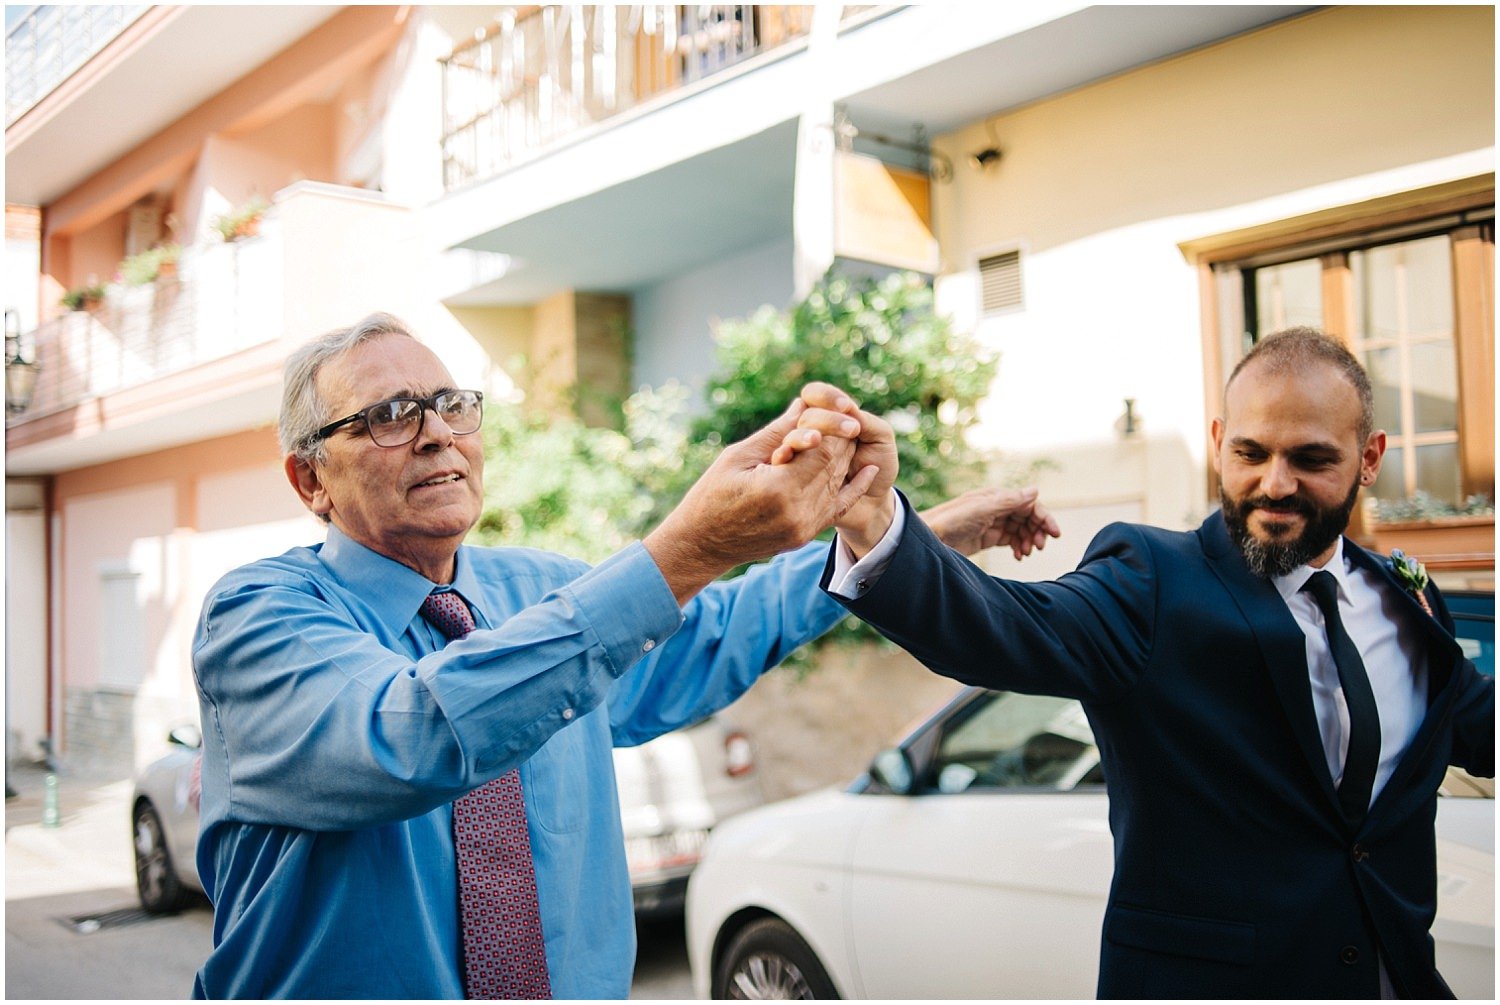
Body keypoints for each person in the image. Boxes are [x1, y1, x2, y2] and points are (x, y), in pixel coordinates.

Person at [189, 312, 1051, 999]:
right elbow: (413, 733)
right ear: (311, 482)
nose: (435, 434)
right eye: (386, 416)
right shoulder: (258, 615)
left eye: (451, 404)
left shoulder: (537, 589)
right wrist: (686, 549)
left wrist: (901, 536)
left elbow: (715, 630)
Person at [805, 327, 1494, 998]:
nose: (1274, 483)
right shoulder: (1153, 580)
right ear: (1220, 441)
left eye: (1311, 459)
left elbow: (1474, 723)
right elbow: (1005, 627)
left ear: (1370, 457)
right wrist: (876, 523)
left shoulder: (1405, 596)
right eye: (1250, 453)